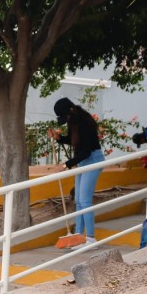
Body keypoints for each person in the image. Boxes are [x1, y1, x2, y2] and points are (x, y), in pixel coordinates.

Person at [49, 97, 105, 249]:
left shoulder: (85, 122)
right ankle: (79, 236)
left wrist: (65, 165)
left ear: (71, 110)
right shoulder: (73, 121)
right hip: (83, 161)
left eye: (66, 117)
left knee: (85, 200)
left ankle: (91, 238)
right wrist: (59, 138)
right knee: (79, 200)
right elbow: (73, 141)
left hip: (93, 160)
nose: (66, 120)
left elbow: (86, 151)